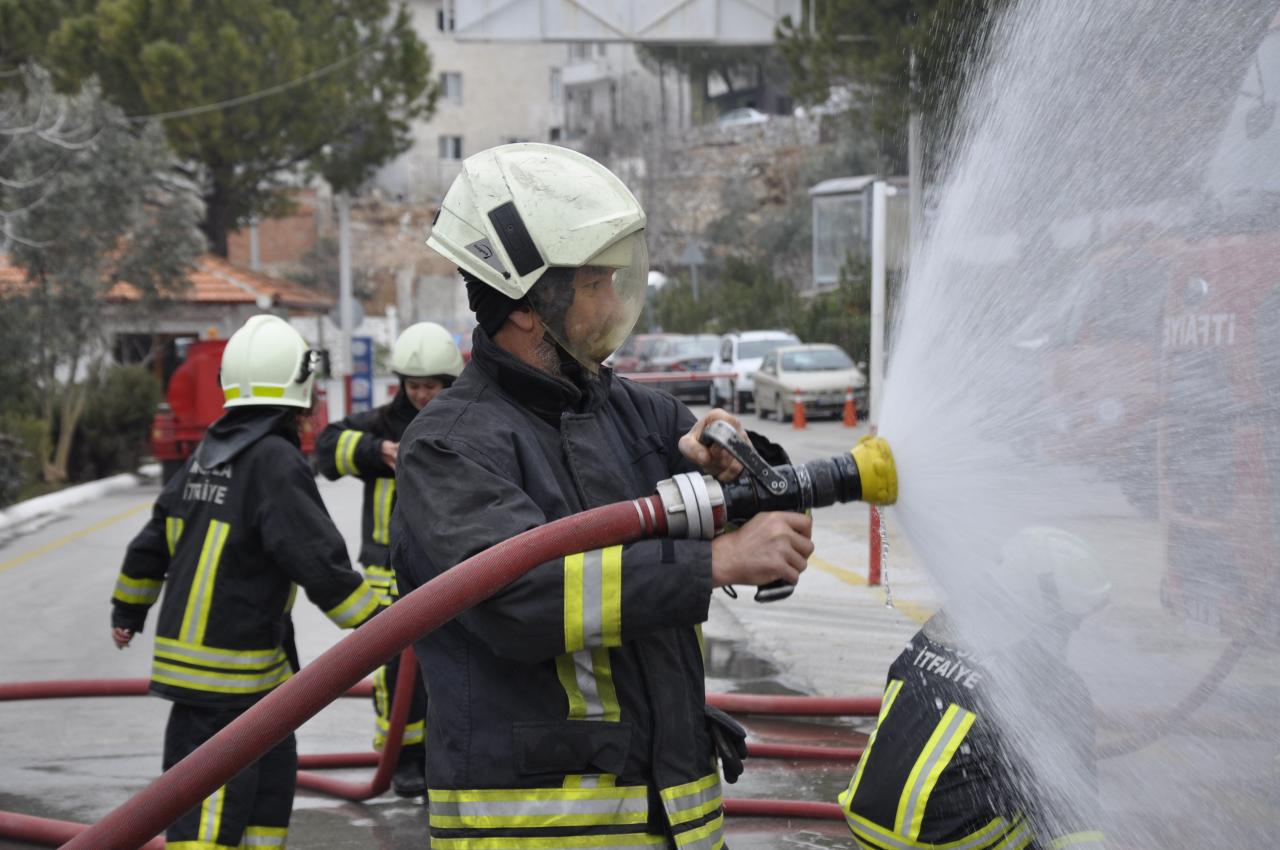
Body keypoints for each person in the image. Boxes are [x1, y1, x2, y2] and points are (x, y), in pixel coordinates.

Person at [392, 142, 814, 849]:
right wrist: (716, 562)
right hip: (541, 829)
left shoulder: (627, 411)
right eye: (598, 283)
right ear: (529, 307)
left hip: (672, 815)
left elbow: (764, 489)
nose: (616, 302)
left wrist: (740, 452)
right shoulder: (451, 446)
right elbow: (521, 599)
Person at [110, 315, 382, 849]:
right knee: (208, 824)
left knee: (262, 801)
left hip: (246, 685)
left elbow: (151, 541)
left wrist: (127, 610)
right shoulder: (276, 461)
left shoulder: (208, 454)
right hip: (231, 686)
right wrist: (383, 630)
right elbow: (318, 560)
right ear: (300, 389)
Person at [838, 527, 1110, 850]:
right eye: (1073, 619)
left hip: (868, 825)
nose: (1074, 628)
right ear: (1049, 607)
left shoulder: (941, 629)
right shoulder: (1052, 683)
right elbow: (1073, 820)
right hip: (943, 843)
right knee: (1046, 812)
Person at [316, 321, 464, 798]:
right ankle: (404, 759)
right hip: (388, 573)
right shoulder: (380, 424)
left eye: (431, 386)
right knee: (399, 674)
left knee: (454, 667)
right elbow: (325, 449)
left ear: (449, 383)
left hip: (451, 567)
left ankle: (448, 755)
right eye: (413, 386)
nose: (421, 395)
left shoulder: (467, 418)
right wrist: (372, 450)